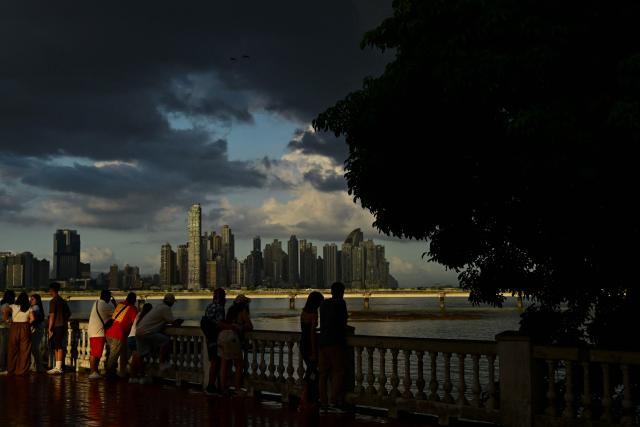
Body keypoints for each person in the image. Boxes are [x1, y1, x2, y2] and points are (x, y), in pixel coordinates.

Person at [318, 282, 349, 412]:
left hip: (322, 341)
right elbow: (343, 321)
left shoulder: (324, 303)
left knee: (323, 374)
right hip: (335, 341)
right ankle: (334, 401)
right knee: (338, 371)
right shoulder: (340, 303)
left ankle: (323, 401)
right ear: (342, 292)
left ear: (331, 291)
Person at [136, 293, 183, 377]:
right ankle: (162, 363)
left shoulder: (159, 306)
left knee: (141, 355)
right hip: (147, 332)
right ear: (171, 302)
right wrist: (179, 321)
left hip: (139, 331)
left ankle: (139, 376)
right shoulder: (165, 308)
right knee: (165, 341)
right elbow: (173, 322)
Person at [217, 294, 253, 396]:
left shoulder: (230, 310)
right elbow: (250, 326)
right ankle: (237, 388)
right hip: (231, 337)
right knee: (239, 364)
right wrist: (242, 326)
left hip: (222, 336)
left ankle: (222, 387)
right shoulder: (243, 311)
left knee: (224, 364)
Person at [299, 291, 324, 411]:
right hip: (309, 345)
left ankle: (305, 400)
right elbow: (312, 334)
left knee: (310, 371)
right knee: (312, 373)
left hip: (302, 343)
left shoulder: (303, 313)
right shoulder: (314, 314)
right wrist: (314, 352)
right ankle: (305, 401)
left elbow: (306, 330)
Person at [105, 292, 137, 380]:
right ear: (134, 300)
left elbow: (119, 313)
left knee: (113, 354)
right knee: (113, 356)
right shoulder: (132, 309)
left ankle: (119, 372)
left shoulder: (120, 304)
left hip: (109, 332)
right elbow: (136, 321)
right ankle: (109, 375)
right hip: (118, 334)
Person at [202, 288, 228, 395]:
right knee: (215, 362)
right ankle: (211, 386)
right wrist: (233, 327)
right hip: (214, 337)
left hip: (209, 337)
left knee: (213, 361)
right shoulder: (220, 307)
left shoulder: (210, 306)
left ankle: (211, 385)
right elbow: (220, 324)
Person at [87, 290, 116, 379]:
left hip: (92, 331)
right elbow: (117, 313)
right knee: (96, 353)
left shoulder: (96, 303)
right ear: (107, 297)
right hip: (98, 333)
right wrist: (114, 303)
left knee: (94, 352)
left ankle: (93, 371)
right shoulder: (105, 305)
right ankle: (93, 372)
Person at [47, 282, 71, 375]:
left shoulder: (53, 301)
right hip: (62, 325)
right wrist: (64, 320)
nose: (49, 291)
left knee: (58, 346)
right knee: (57, 345)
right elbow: (68, 314)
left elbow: (52, 315)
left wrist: (49, 328)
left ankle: (59, 367)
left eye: (49, 290)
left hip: (56, 326)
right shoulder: (62, 300)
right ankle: (57, 366)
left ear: (52, 290)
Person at [7, 292, 33, 375]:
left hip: (14, 326)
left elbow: (4, 311)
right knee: (24, 350)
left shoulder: (13, 306)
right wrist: (28, 323)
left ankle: (11, 369)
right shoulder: (29, 307)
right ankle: (21, 371)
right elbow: (32, 319)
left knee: (12, 349)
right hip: (25, 327)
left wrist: (7, 320)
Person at [127, 302, 153, 383]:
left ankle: (132, 377)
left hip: (130, 337)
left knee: (135, 358)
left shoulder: (138, 314)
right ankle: (141, 376)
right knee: (139, 359)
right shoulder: (148, 317)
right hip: (137, 339)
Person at [0, 290, 16, 374]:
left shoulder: (2, 304)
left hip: (2, 327)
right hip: (5, 328)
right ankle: (3, 367)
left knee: (3, 348)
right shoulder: (6, 306)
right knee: (4, 348)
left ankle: (3, 366)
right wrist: (9, 321)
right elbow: (4, 318)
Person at [29, 294, 46, 373]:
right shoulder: (37, 307)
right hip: (39, 328)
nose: (30, 300)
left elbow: (33, 318)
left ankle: (38, 366)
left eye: (32, 299)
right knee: (35, 348)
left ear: (37, 300)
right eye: (30, 299)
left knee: (34, 348)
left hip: (37, 329)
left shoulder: (35, 307)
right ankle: (35, 366)